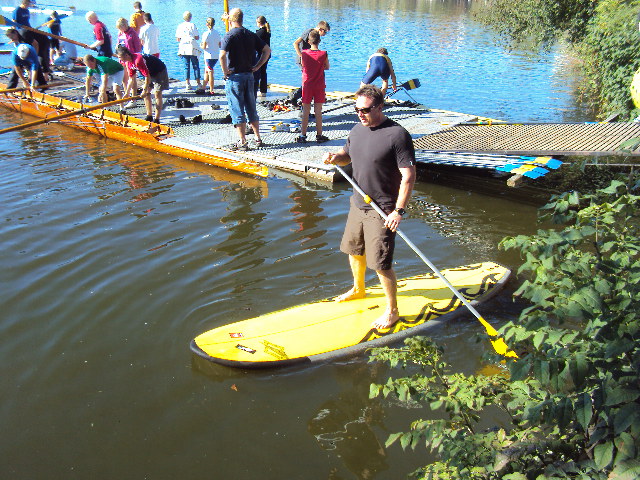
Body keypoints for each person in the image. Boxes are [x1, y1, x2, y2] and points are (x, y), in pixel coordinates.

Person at [323, 85, 416, 330]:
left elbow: (408, 176)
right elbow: (346, 156)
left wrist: (398, 211)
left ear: (379, 107)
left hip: (382, 209)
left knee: (380, 263)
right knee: (354, 250)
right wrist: (334, 158)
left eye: (364, 110)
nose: (360, 114)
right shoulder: (357, 130)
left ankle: (392, 311)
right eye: (356, 109)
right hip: (358, 203)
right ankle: (358, 288)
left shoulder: (397, 135)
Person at [219, 8, 271, 151]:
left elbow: (222, 56)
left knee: (237, 109)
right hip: (249, 75)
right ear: (242, 19)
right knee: (251, 107)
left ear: (231, 20)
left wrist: (225, 71)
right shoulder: (250, 34)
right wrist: (258, 66)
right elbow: (267, 50)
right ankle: (258, 138)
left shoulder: (229, 35)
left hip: (235, 77)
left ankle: (242, 141)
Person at [116, 45, 169, 124]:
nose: (119, 60)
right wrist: (127, 93)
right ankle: (149, 115)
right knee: (146, 94)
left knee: (157, 93)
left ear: (126, 55)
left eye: (120, 57)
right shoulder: (128, 63)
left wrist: (144, 90)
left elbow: (147, 76)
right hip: (149, 72)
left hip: (159, 71)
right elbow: (131, 78)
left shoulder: (138, 60)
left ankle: (157, 119)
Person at [296, 29, 329, 144]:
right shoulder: (324, 53)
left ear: (308, 41)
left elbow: (303, 65)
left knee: (306, 111)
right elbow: (327, 67)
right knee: (318, 111)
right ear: (319, 41)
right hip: (319, 85)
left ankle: (303, 135)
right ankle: (319, 135)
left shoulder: (304, 53)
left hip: (307, 85)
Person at [175, 11, 202, 90]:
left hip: (183, 47)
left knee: (186, 66)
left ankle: (187, 83)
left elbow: (178, 39)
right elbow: (197, 37)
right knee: (195, 65)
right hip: (192, 46)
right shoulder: (192, 25)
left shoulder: (180, 26)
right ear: (190, 17)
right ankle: (198, 83)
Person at [201, 17, 221, 95]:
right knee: (207, 71)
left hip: (208, 55)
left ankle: (211, 90)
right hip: (216, 55)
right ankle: (203, 88)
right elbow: (220, 44)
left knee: (210, 72)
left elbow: (204, 46)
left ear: (207, 24)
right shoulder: (217, 33)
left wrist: (201, 46)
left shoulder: (206, 34)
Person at [255, 15, 271, 97]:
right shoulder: (267, 31)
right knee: (263, 72)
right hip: (267, 54)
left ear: (258, 22)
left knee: (258, 72)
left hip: (261, 54)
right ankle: (263, 90)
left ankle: (259, 90)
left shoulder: (259, 33)